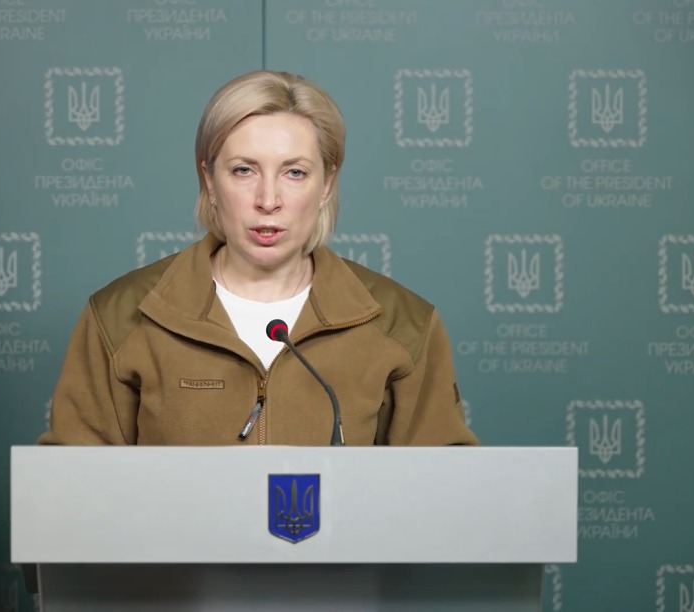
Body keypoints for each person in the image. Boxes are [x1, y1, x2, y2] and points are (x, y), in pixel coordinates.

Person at [38, 70, 477, 446]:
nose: (268, 200)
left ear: (326, 185)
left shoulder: (403, 325)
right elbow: (71, 494)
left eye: (295, 172)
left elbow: (441, 497)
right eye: (244, 170)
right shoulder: (120, 317)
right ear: (210, 181)